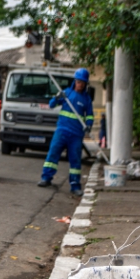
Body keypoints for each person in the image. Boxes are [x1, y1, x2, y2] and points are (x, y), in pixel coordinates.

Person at [38, 68, 94, 196]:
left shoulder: (86, 99)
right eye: (79, 82)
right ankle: (46, 178)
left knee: (75, 160)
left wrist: (88, 125)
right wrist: (57, 97)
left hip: (76, 135)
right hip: (62, 130)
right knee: (53, 154)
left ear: (86, 84)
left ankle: (75, 186)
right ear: (75, 81)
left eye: (83, 82)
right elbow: (52, 105)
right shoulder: (66, 94)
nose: (80, 84)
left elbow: (90, 115)